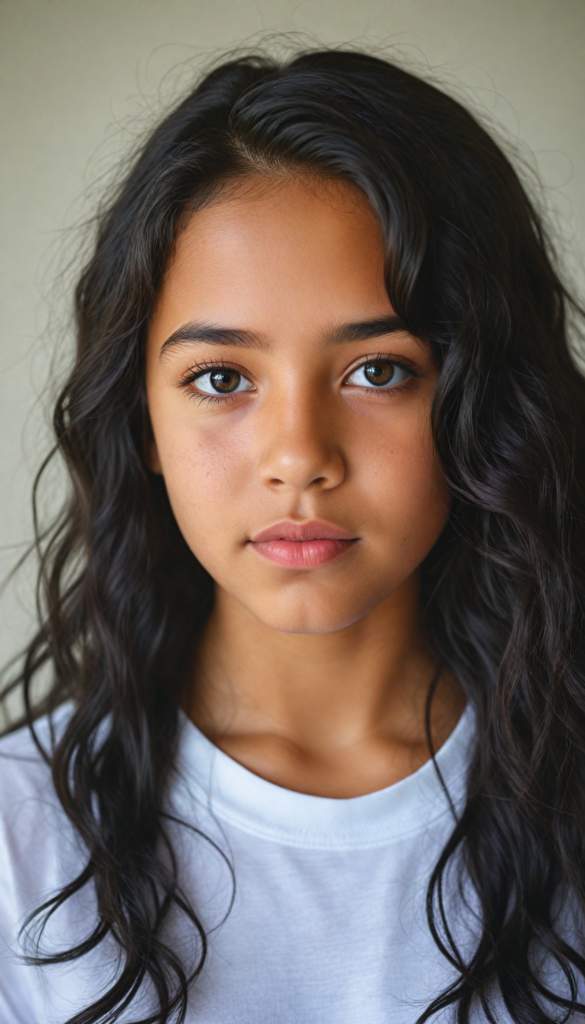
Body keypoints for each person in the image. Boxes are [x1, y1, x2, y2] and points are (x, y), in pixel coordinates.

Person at [1, 47, 584, 1024]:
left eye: (379, 370)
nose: (299, 456)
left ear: (484, 401)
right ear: (140, 419)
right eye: (222, 379)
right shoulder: (18, 840)